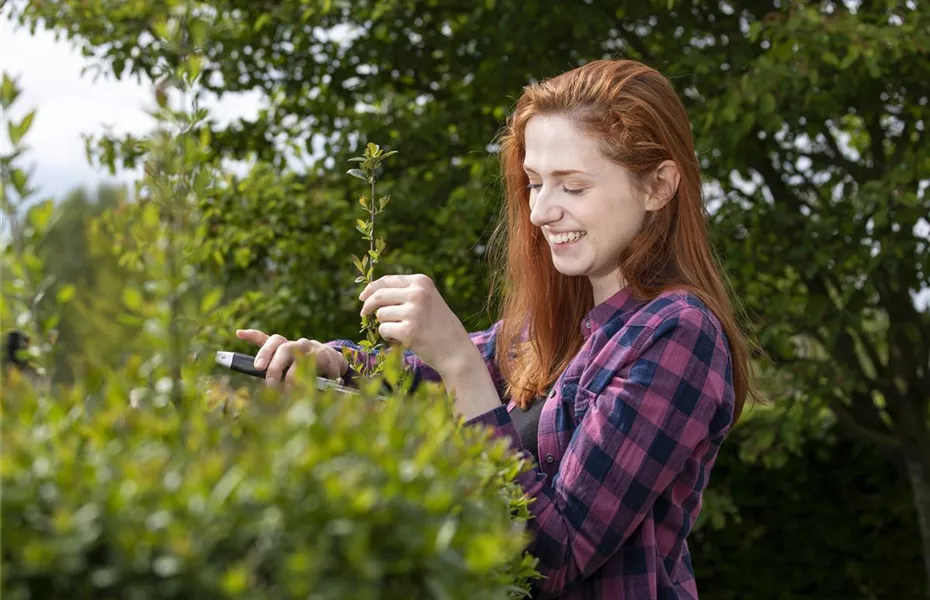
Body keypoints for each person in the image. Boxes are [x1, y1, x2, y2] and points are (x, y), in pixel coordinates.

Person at [235, 59, 759, 600]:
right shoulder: (547, 328)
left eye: (572, 187)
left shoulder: (677, 334)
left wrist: (460, 362)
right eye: (534, 184)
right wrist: (332, 364)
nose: (540, 212)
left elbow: (554, 555)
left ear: (657, 186)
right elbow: (416, 383)